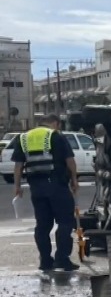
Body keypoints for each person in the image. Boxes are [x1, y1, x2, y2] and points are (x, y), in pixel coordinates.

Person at [10, 115, 80, 272]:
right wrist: (74, 180)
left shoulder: (24, 138)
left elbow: (18, 166)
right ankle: (62, 259)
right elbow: (70, 160)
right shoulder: (56, 136)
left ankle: (45, 260)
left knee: (42, 225)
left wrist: (17, 186)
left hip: (36, 187)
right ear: (55, 123)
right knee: (65, 221)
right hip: (56, 185)